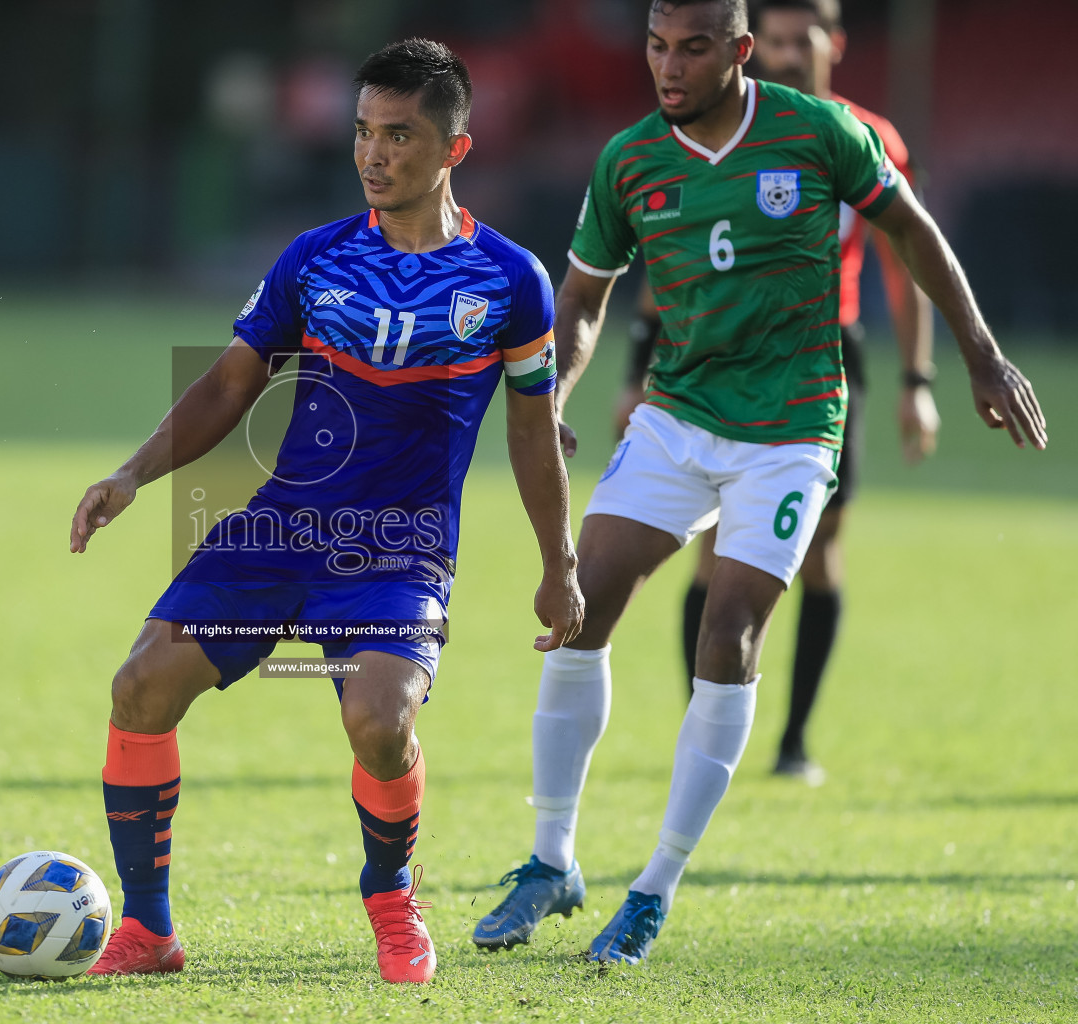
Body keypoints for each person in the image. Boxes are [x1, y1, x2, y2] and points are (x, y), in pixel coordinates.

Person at [472, 0, 1045, 964]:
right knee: (581, 609)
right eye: (657, 46)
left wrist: (976, 358)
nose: (669, 66)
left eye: (693, 47)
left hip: (790, 429)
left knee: (725, 628)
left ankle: (653, 888)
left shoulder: (821, 131)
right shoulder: (630, 161)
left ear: (739, 51)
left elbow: (914, 233)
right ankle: (551, 860)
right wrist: (556, 390)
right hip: (677, 414)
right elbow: (581, 297)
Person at [69, 38, 586, 984]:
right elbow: (230, 387)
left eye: (399, 135)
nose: (373, 154)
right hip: (280, 533)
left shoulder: (511, 280)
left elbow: (530, 434)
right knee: (141, 686)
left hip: (397, 554)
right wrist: (133, 475)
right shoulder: (314, 259)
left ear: (454, 150)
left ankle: (391, 899)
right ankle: (148, 931)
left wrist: (560, 565)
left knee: (380, 723)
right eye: (362, 132)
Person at [612, 0, 941, 784]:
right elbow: (672, 266)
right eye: (780, 41)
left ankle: (793, 742)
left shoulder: (869, 137)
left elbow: (908, 264)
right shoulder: (722, 135)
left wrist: (917, 381)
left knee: (822, 551)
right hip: (722, 356)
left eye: (805, 40)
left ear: (835, 42)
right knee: (712, 554)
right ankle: (704, 722)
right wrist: (634, 372)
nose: (791, 56)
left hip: (829, 358)